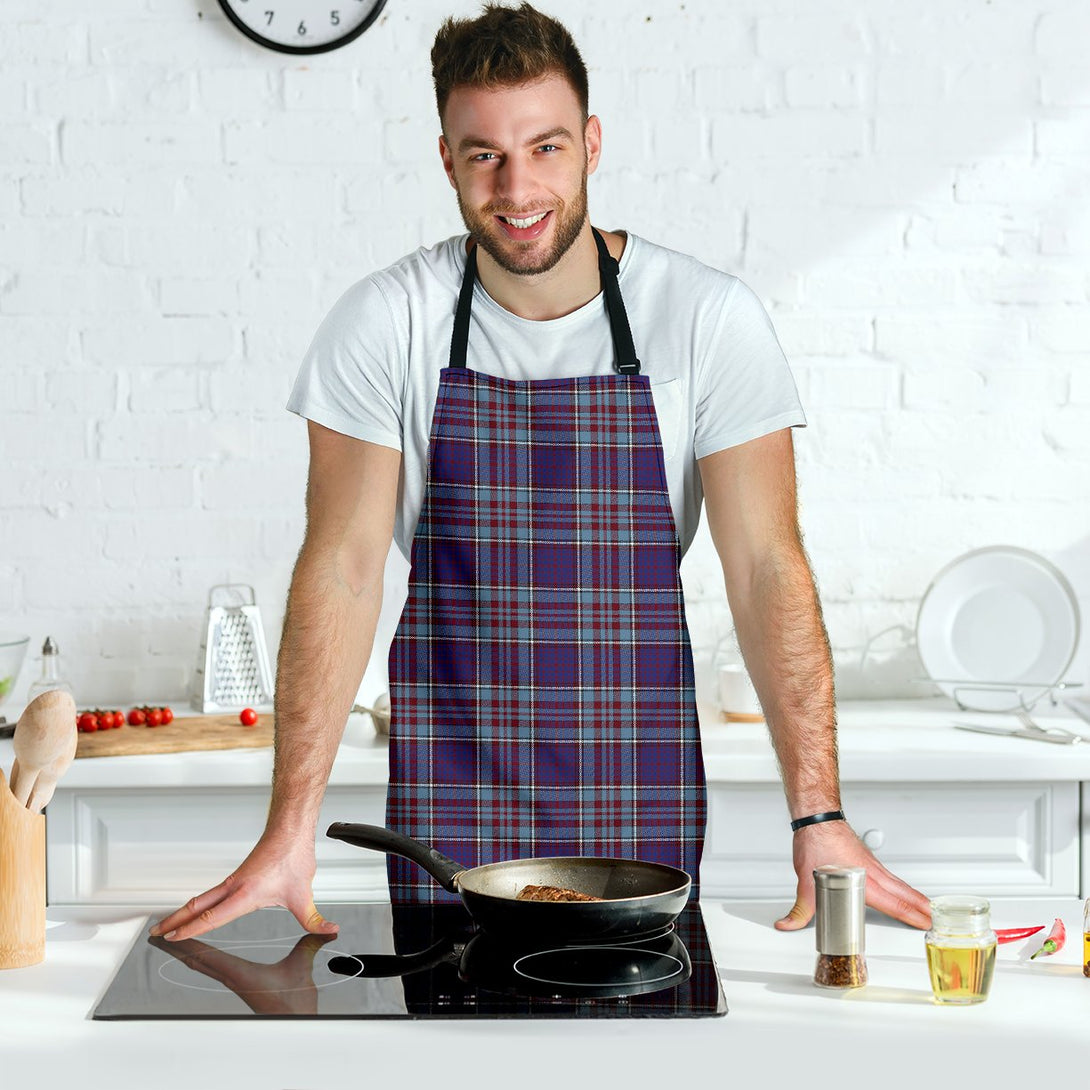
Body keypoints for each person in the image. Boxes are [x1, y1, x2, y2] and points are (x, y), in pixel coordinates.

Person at [152, 2, 931, 942]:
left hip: (637, 797)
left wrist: (819, 813)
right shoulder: (386, 321)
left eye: (546, 147)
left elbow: (768, 566)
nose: (517, 186)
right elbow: (343, 570)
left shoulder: (706, 319)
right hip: (451, 800)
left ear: (592, 144)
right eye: (484, 153)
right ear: (446, 158)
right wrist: (289, 828)